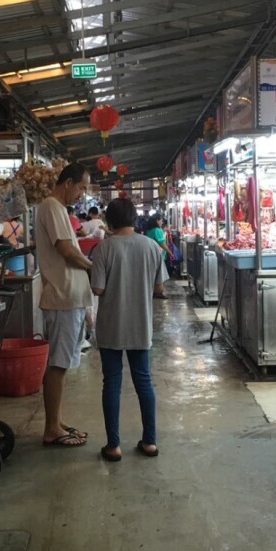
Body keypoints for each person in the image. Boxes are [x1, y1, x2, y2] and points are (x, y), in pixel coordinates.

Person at [91, 197, 166, 462]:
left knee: (111, 383)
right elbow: (159, 287)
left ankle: (113, 446)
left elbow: (97, 289)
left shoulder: (103, 248)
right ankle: (150, 442)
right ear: (134, 218)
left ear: (109, 221)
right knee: (143, 381)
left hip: (111, 326)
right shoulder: (151, 247)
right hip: (140, 325)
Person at [35, 163, 93, 447]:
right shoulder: (51, 206)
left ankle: (57, 422)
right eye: (81, 187)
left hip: (70, 297)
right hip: (62, 297)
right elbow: (66, 250)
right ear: (68, 183)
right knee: (58, 364)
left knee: (62, 364)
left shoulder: (59, 209)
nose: (82, 194)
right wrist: (92, 266)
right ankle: (51, 429)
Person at [144, 215, 172, 298]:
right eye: (161, 220)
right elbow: (161, 243)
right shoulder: (157, 230)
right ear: (157, 220)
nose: (162, 222)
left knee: (153, 273)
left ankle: (153, 291)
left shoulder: (149, 230)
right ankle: (158, 292)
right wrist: (170, 252)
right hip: (157, 254)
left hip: (149, 254)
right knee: (160, 274)